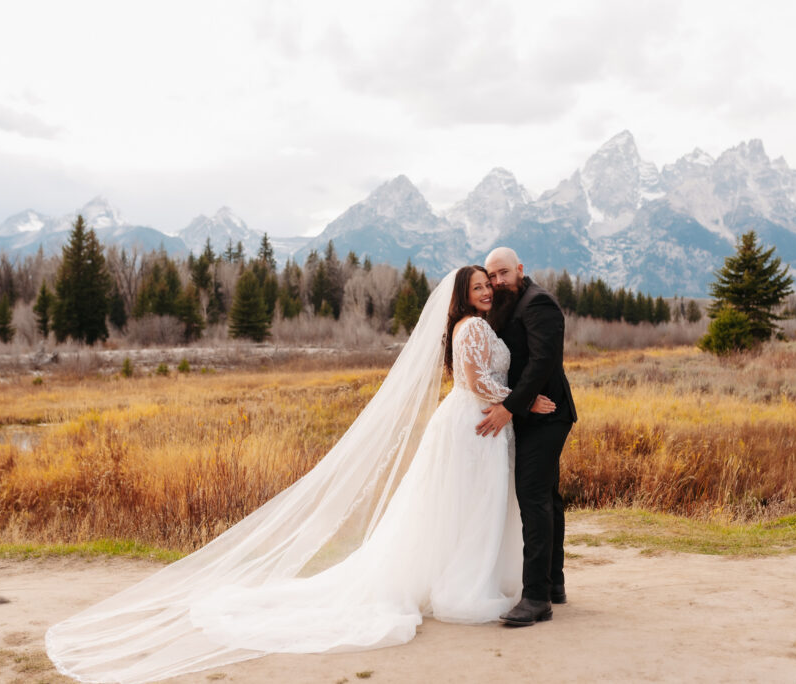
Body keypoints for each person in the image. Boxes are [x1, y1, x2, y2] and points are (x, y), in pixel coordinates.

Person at [47, 265, 555, 684]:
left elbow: (488, 376)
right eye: (478, 287)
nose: (488, 290)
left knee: (474, 507)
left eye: (490, 284)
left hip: (488, 425)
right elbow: (471, 381)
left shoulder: (485, 325)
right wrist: (524, 402)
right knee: (462, 504)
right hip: (474, 425)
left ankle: (467, 576)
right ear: (462, 297)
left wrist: (515, 403)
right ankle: (460, 585)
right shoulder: (468, 328)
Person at [477, 247, 577, 627]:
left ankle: (536, 598)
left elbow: (543, 361)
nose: (497, 282)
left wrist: (509, 407)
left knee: (533, 498)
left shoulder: (539, 303)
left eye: (503, 273)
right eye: (492, 277)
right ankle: (554, 584)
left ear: (520, 269)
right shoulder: (510, 304)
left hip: (549, 415)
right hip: (531, 413)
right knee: (547, 496)